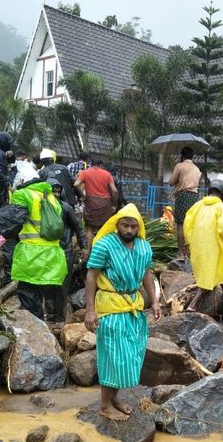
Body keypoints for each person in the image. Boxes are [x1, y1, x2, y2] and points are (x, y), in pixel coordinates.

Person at [84, 203, 160, 421]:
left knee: (131, 355)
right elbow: (91, 276)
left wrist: (154, 301)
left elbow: (147, 274)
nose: (128, 230)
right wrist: (90, 311)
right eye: (125, 225)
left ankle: (115, 398)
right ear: (117, 224)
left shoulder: (144, 247)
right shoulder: (105, 245)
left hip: (133, 305)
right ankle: (105, 405)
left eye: (133, 226)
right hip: (110, 305)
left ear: (139, 227)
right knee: (112, 356)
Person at [0, 176, 67, 319]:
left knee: (28, 293)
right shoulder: (52, 199)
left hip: (31, 255)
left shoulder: (25, 195)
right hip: (53, 256)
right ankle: (52, 320)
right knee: (46, 291)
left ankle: (35, 326)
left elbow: (15, 220)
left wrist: (0, 240)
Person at [183, 180, 223, 312]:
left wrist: (190, 241)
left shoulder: (197, 205)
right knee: (206, 276)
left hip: (197, 243)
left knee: (215, 268)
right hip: (211, 245)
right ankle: (193, 305)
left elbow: (187, 224)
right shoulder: (222, 208)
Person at [47, 178, 88, 323]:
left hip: (65, 251)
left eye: (58, 191)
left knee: (63, 285)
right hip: (47, 252)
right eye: (53, 191)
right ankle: (50, 313)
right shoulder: (41, 209)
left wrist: (84, 247)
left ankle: (59, 316)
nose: (56, 194)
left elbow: (78, 228)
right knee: (48, 284)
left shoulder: (66, 208)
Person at [74, 158, 117, 247]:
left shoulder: (85, 173)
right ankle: (101, 250)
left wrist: (83, 196)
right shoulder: (107, 174)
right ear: (101, 165)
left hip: (91, 202)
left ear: (92, 164)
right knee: (103, 228)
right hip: (105, 204)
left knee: (89, 228)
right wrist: (114, 204)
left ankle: (88, 251)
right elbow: (114, 190)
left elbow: (76, 184)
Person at [169, 146, 201, 259]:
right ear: (192, 156)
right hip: (194, 197)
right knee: (191, 225)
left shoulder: (180, 166)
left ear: (182, 156)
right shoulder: (197, 169)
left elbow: (171, 182)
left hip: (183, 196)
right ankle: (190, 252)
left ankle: (181, 254)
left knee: (180, 225)